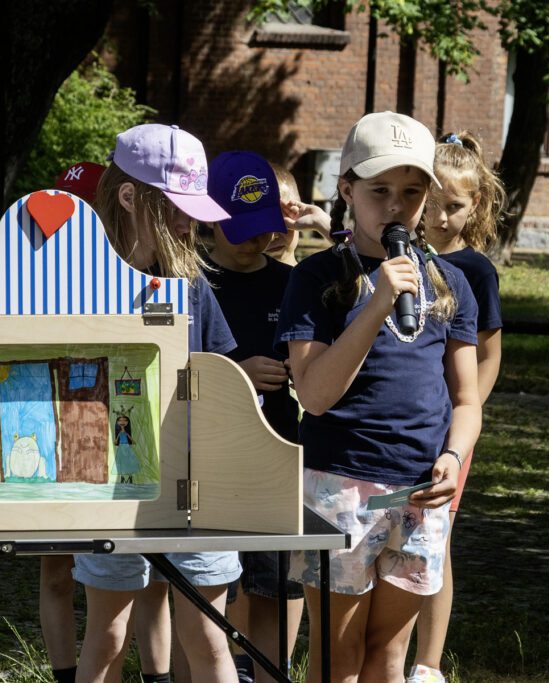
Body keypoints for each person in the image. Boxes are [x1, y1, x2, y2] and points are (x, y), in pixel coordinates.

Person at [275, 111, 483, 682]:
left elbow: (466, 400)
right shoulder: (316, 278)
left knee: (390, 657)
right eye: (380, 190)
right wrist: (375, 305)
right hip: (341, 485)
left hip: (419, 490)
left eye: (413, 192)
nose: (397, 206)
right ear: (346, 190)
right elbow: (314, 394)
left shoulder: (449, 282)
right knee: (338, 657)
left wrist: (454, 457)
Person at [72, 124, 241, 683]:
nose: (191, 220)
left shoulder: (193, 285)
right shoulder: (81, 283)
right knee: (108, 636)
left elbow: (220, 377)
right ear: (129, 196)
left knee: (208, 640)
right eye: (178, 206)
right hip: (106, 486)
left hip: (193, 485)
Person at [408, 130, 506, 683]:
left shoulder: (477, 271)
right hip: (403, 422)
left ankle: (427, 663)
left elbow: (489, 357)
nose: (442, 218)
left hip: (448, 435)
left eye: (456, 206)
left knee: (433, 542)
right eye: (435, 202)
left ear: (476, 206)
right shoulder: (399, 256)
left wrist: (461, 426)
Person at [203, 151, 303, 682]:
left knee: (276, 580)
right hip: (209, 452)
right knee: (208, 583)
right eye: (239, 229)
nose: (253, 241)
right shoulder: (191, 280)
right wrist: (236, 370)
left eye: (264, 229)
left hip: (275, 446)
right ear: (207, 218)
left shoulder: (289, 284)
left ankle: (271, 672)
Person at [37, 159, 111, 683]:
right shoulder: (31, 270)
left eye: (84, 209)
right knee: (56, 568)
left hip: (105, 423)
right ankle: (66, 674)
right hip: (50, 420)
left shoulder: (122, 268)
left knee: (120, 574)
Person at [268, 164, 332, 267]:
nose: (272, 236)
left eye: (281, 221)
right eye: (261, 225)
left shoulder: (316, 279)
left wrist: (323, 223)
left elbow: (361, 261)